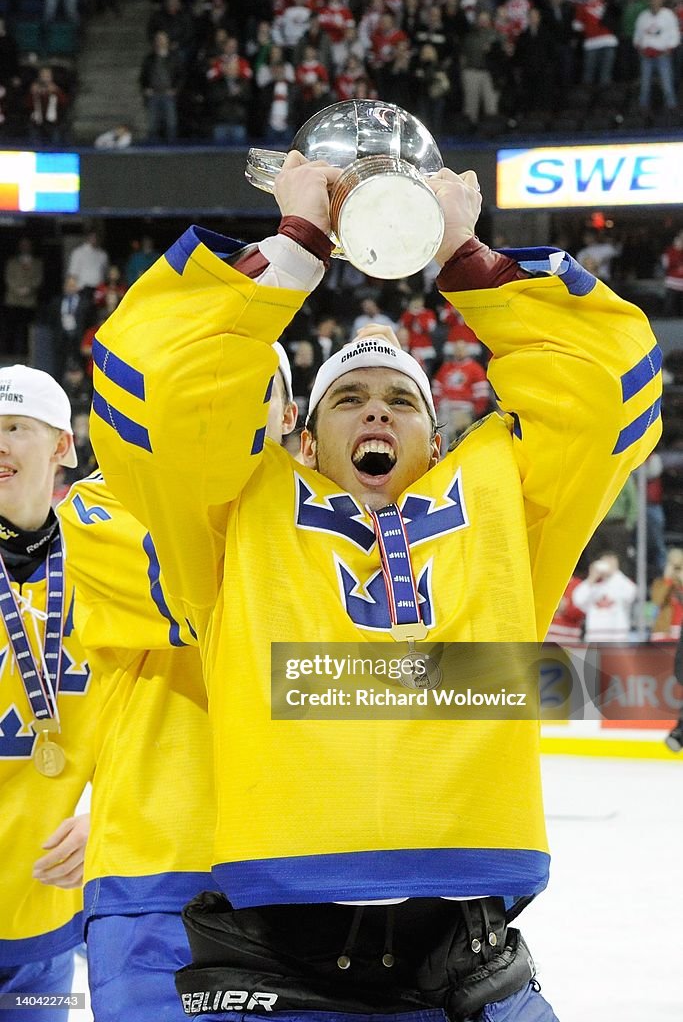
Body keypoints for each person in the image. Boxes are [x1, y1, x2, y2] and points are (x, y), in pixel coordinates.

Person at [90, 152, 661, 1021]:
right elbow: (159, 394)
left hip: (470, 951)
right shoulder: (233, 519)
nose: (376, 411)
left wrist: (465, 255)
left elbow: (605, 394)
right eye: (347, 398)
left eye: (400, 398)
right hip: (275, 957)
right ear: (305, 441)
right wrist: (294, 246)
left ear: (439, 440)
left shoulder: (506, 504)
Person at [57, 344, 297, 1022]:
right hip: (154, 869)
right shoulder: (101, 503)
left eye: (257, 389)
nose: (232, 406)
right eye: (214, 390)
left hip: (303, 873)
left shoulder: (329, 521)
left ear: (289, 416)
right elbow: (220, 603)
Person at [0, 365, 94, 1022]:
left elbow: (152, 721)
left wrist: (111, 816)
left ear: (63, 446)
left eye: (14, 428)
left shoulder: (110, 562)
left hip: (46, 907)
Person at [572, 553, 637, 642]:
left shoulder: (619, 582)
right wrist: (592, 578)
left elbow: (631, 593)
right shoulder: (592, 586)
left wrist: (615, 572)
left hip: (617, 638)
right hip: (595, 637)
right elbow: (578, 600)